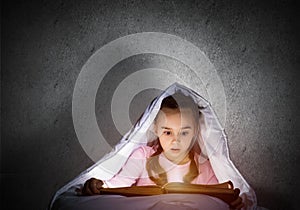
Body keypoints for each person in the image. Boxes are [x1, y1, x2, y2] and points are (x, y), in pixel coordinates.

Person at [80, 92, 244, 209]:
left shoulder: (205, 168)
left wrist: (232, 201)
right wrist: (99, 185)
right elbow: (118, 185)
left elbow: (219, 197)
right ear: (156, 129)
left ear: (195, 132)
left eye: (184, 132)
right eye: (167, 132)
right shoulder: (143, 157)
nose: (176, 140)